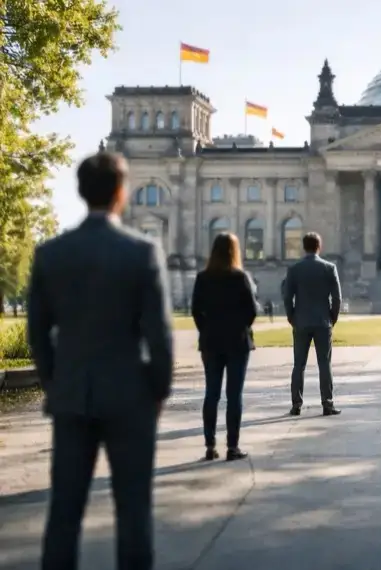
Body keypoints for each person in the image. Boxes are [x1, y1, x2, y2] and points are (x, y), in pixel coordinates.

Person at [28, 152, 173, 570]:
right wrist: (157, 391)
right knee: (133, 512)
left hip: (72, 396)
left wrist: (56, 384)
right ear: (120, 194)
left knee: (64, 511)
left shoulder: (50, 253)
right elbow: (159, 336)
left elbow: (38, 334)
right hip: (130, 398)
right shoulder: (142, 252)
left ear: (79, 191)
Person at [191, 233, 257, 462]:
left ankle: (210, 446)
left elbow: (195, 310)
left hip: (211, 341)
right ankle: (232, 446)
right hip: (237, 341)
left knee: (212, 393)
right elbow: (252, 310)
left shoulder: (202, 278)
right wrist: (240, 327)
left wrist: (206, 329)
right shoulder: (240, 277)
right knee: (234, 395)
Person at [283, 232, 342, 416]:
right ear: (319, 246)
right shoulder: (329, 268)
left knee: (298, 365)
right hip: (323, 321)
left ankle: (296, 405)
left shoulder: (294, 269)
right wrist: (332, 318)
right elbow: (337, 298)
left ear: (304, 247)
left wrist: (292, 317)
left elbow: (287, 296)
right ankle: (327, 404)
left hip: (301, 321)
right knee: (324, 364)